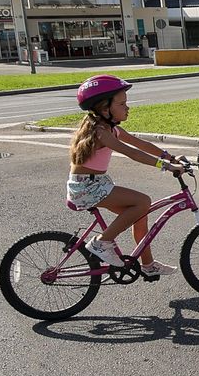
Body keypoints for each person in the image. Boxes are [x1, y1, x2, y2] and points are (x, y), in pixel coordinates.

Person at [68, 75, 188, 277]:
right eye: (122, 103)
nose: (127, 107)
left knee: (140, 214)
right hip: (87, 188)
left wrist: (171, 157)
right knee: (143, 202)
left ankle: (148, 266)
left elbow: (140, 144)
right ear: (104, 109)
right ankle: (101, 243)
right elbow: (131, 152)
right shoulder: (100, 132)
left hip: (94, 185)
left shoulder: (110, 128)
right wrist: (165, 166)